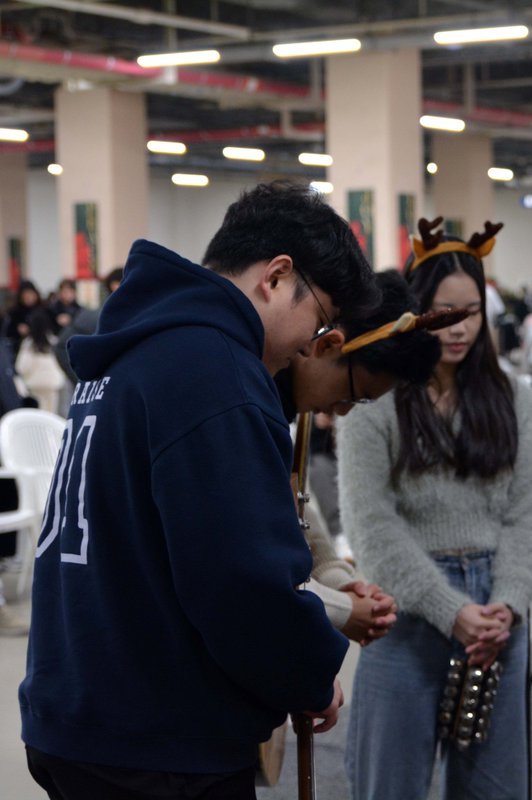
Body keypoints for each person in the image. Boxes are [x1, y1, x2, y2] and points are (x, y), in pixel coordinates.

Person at [20, 180, 380, 800]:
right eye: (316, 318)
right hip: (156, 737)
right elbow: (241, 584)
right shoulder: (214, 371)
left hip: (78, 707)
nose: (305, 347)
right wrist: (309, 673)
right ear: (276, 276)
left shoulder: (136, 348)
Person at [337, 218, 532, 800]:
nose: (460, 329)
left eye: (472, 312)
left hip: (496, 616)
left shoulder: (516, 397)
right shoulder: (376, 395)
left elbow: (530, 513)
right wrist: (449, 607)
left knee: (494, 790)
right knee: (390, 785)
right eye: (444, 313)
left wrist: (505, 603)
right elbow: (370, 520)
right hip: (404, 613)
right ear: (415, 311)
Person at [277, 270, 442, 646]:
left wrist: (337, 578)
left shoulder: (288, 399)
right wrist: (342, 609)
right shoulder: (247, 397)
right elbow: (252, 565)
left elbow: (292, 506)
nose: (345, 412)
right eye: (355, 394)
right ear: (329, 345)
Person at [14, 307, 66, 412]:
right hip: (53, 385)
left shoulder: (28, 344)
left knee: (38, 418)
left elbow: (21, 367)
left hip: (34, 386)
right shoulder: (54, 342)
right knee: (51, 415)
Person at [5, 279, 42, 353]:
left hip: (39, 347)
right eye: (25, 294)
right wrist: (17, 329)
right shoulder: (14, 313)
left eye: (30, 294)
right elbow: (7, 333)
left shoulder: (42, 310)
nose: (28, 297)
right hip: (19, 348)